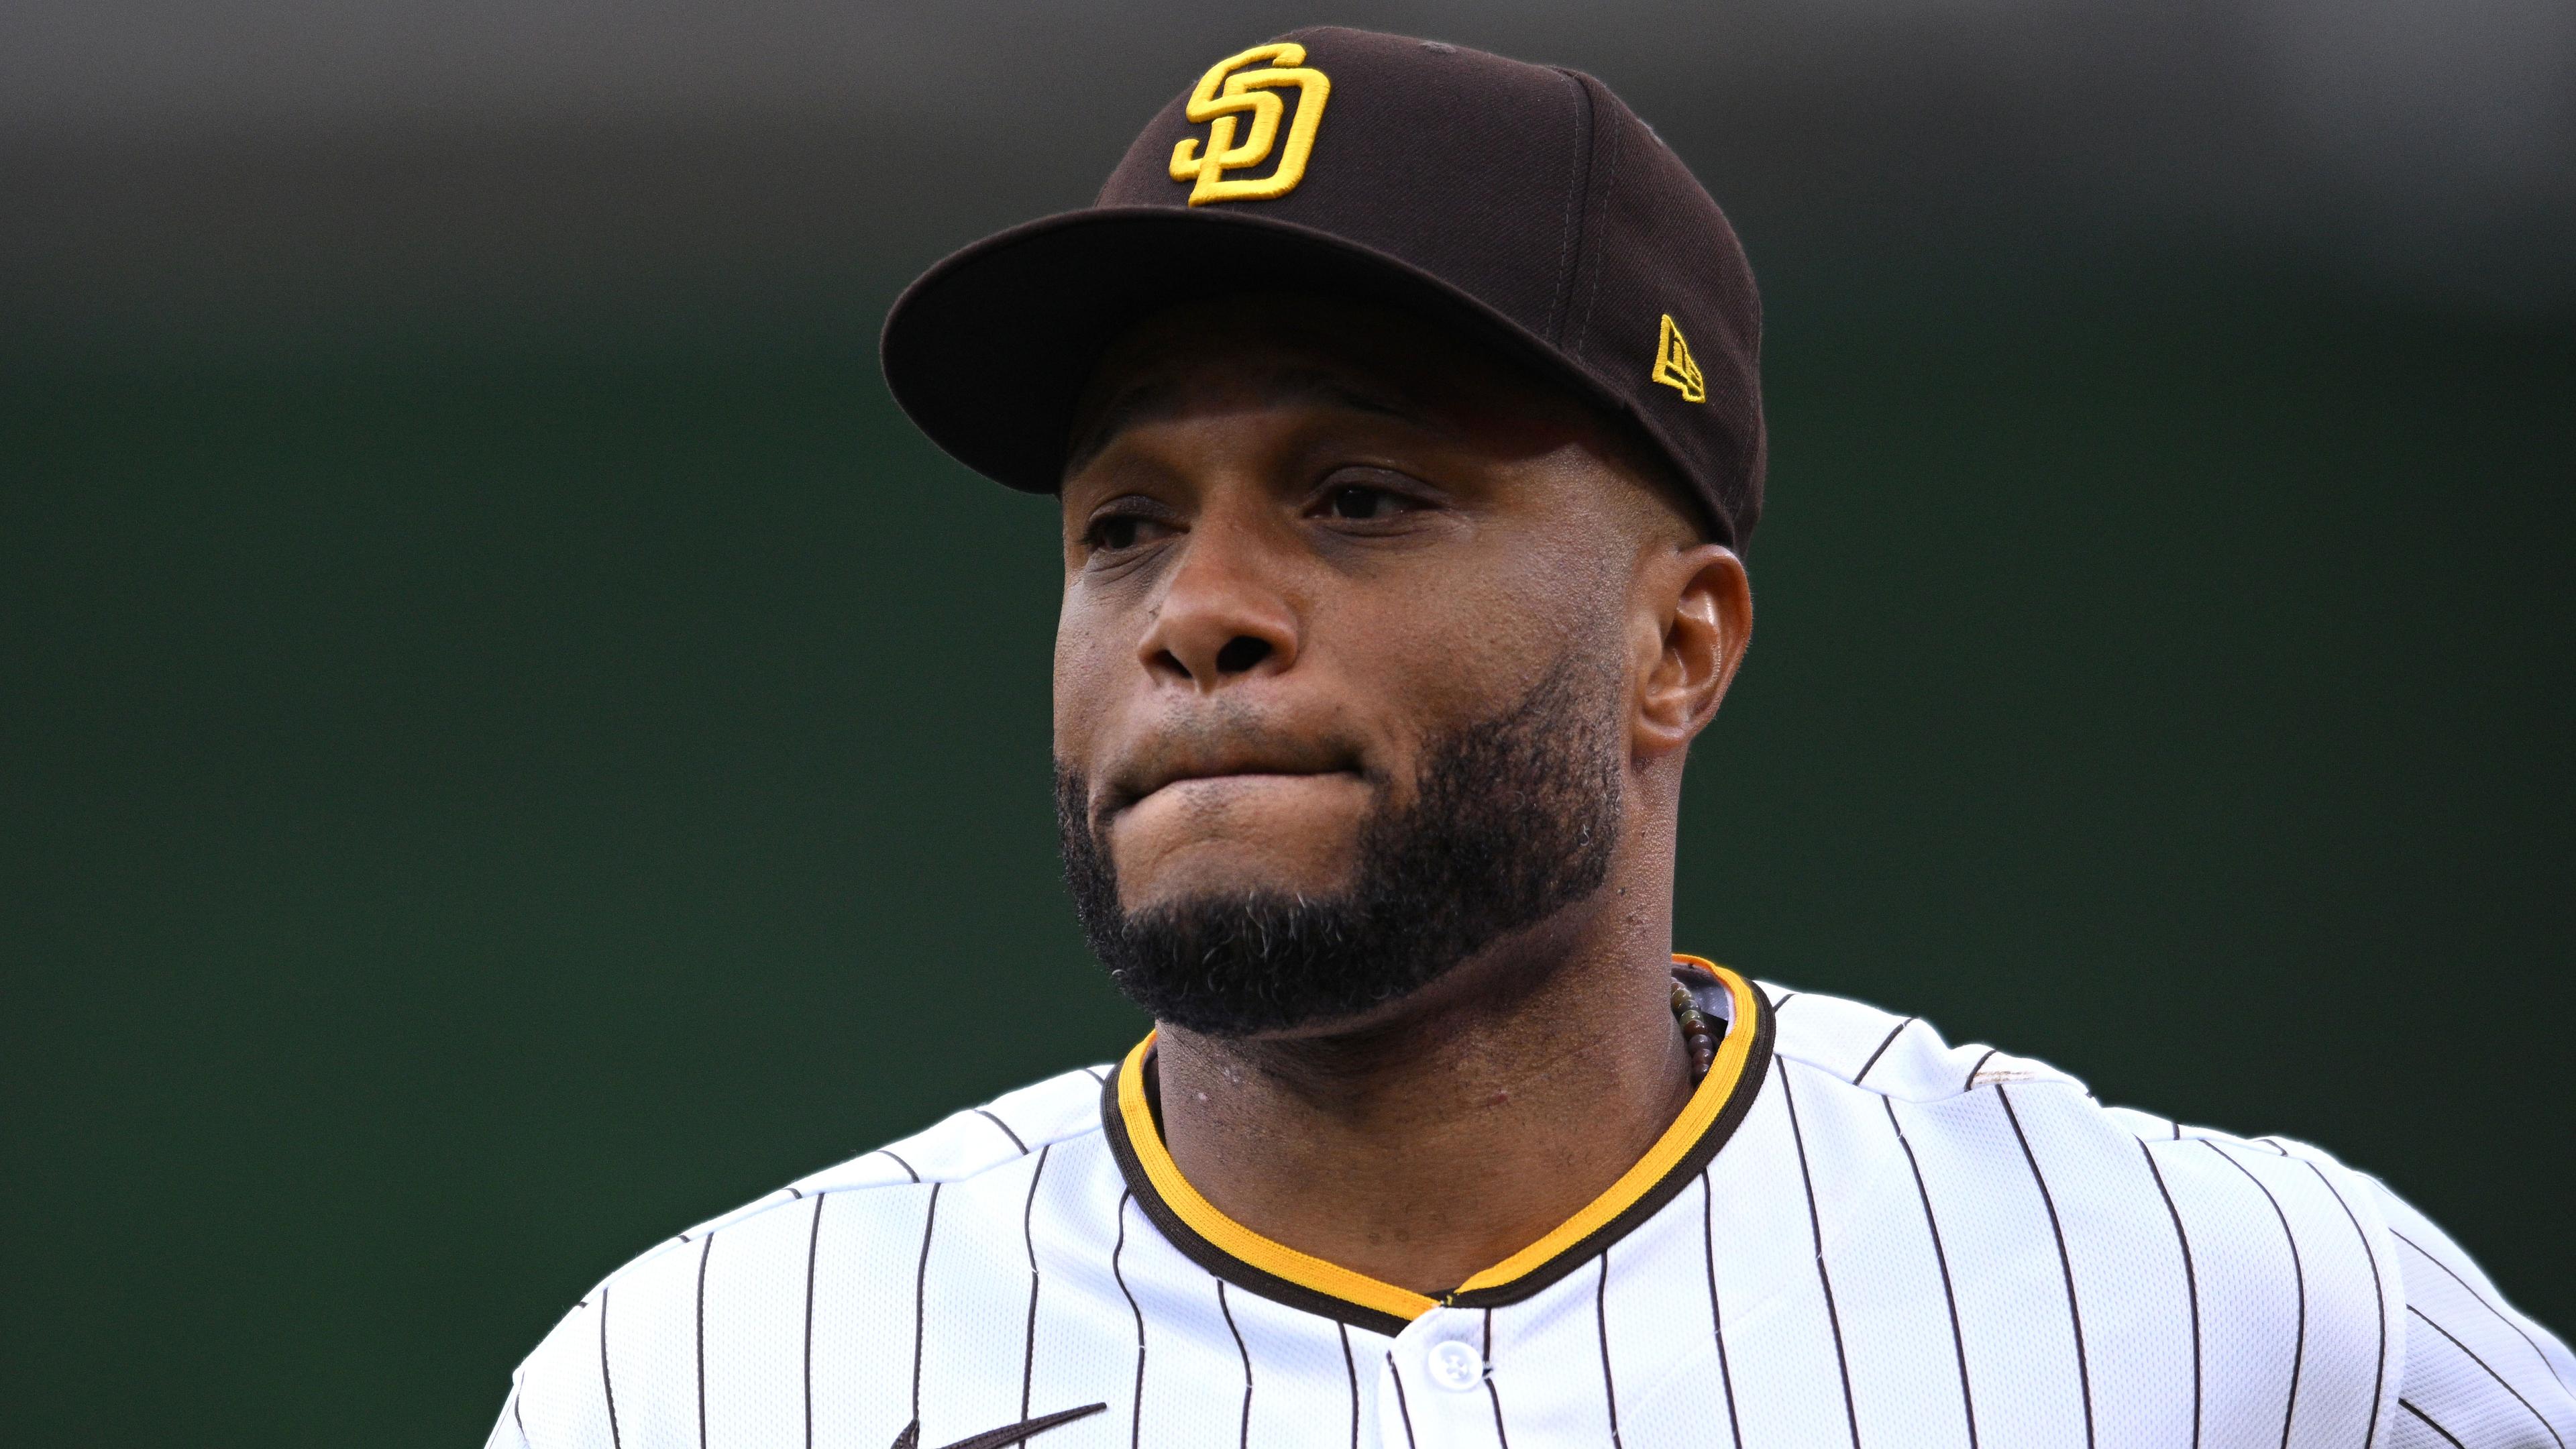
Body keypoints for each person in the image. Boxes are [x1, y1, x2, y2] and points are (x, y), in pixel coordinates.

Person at [488, 28, 2570, 1449]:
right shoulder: (717, 1379)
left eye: (1360, 494)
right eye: (1124, 525)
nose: (1195, 609)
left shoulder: (2218, 1317)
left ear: (1681, 646)